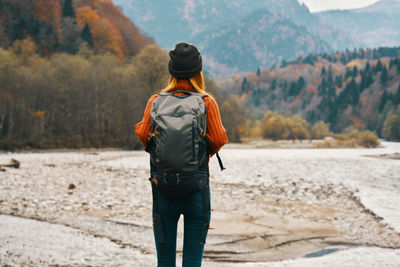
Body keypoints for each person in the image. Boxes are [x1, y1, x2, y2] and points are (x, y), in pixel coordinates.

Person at [134, 42, 228, 267]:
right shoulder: (206, 102)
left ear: (171, 71)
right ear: (198, 71)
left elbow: (143, 135)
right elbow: (219, 139)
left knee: (164, 263)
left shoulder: (155, 102)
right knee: (192, 263)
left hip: (163, 188)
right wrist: (202, 150)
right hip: (196, 189)